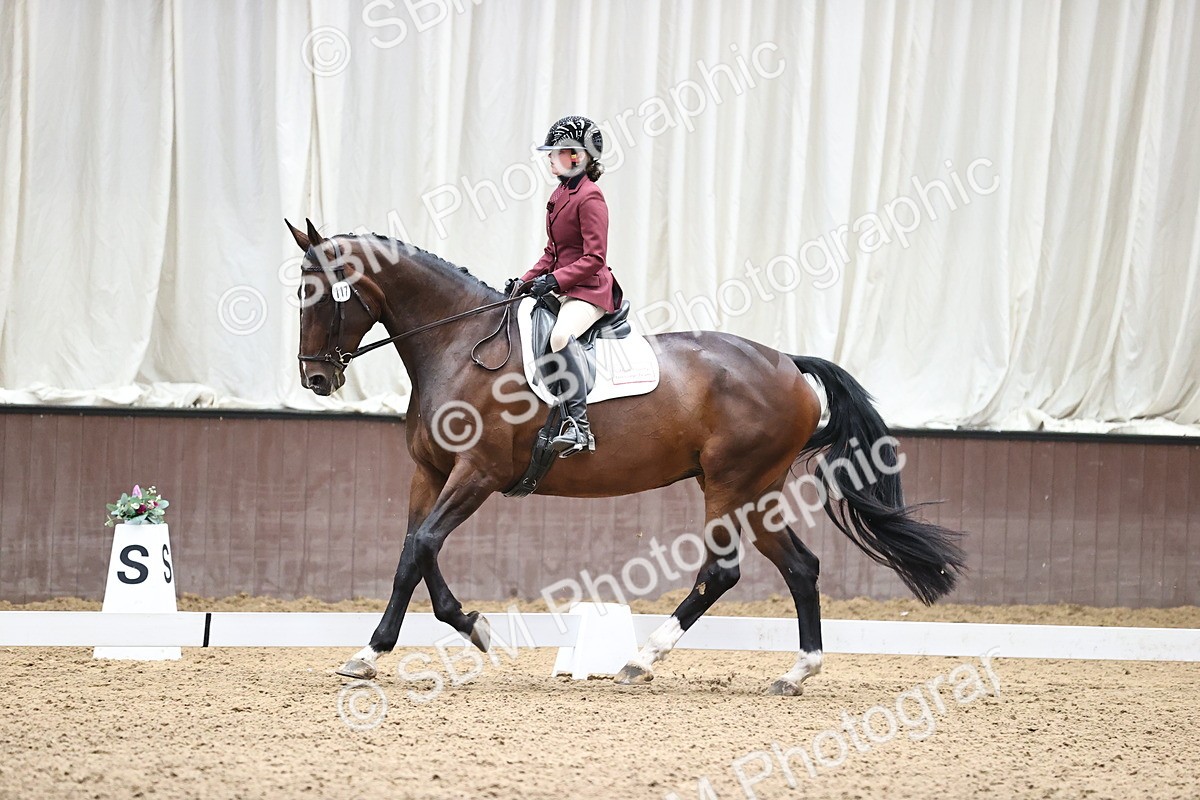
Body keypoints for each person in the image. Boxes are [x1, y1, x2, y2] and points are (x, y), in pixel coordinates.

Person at [510, 116, 623, 458]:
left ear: (578, 156)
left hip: (590, 290)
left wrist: (554, 281)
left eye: (557, 153)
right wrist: (526, 280)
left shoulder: (590, 198)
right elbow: (552, 252)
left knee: (560, 337)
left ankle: (578, 427)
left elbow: (594, 258)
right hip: (566, 287)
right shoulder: (561, 193)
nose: (549, 159)